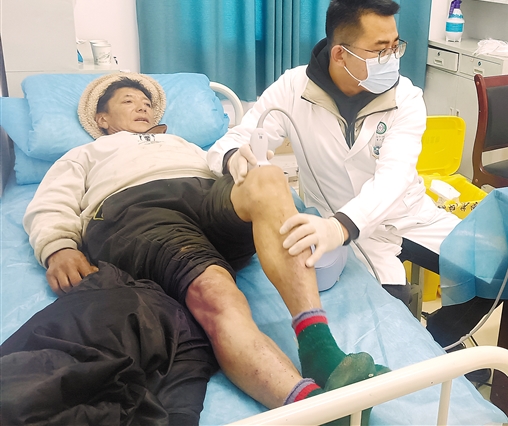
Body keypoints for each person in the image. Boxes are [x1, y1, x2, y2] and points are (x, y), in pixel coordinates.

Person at [23, 73, 384, 414]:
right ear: (102, 119)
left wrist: (236, 161)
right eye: (129, 101)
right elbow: (51, 202)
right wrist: (59, 247)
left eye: (147, 103)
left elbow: (222, 167)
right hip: (140, 209)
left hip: (205, 199)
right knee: (217, 291)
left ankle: (319, 347)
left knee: (269, 177)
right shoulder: (85, 154)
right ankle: (316, 408)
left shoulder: (184, 145)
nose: (142, 107)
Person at [207, 0, 493, 351]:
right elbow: (232, 141)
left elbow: (394, 178)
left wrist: (340, 227)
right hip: (343, 225)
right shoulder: (293, 89)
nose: (392, 58)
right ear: (340, 54)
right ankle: (419, 348)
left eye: (395, 46)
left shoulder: (406, 98)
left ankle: (440, 340)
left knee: (493, 273)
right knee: (391, 322)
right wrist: (234, 156)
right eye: (380, 50)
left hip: (405, 214)